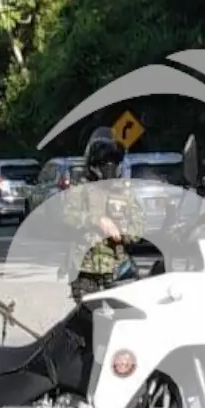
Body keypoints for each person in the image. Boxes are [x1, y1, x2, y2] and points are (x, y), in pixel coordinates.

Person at [62, 127, 145, 301]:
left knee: (122, 323)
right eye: (105, 163)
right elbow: (67, 217)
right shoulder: (80, 190)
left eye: (113, 163)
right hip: (85, 270)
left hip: (117, 268)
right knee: (88, 323)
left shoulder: (125, 193)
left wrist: (121, 231)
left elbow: (138, 229)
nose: (109, 168)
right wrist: (97, 220)